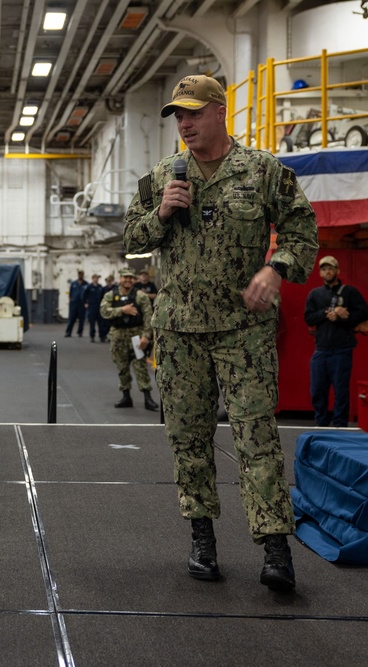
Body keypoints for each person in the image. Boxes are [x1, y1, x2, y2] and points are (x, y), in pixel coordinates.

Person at [124, 74, 318, 591]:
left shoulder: (261, 171)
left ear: (218, 110)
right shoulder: (166, 175)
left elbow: (302, 230)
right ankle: (202, 541)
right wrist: (161, 213)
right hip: (180, 330)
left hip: (244, 332)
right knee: (188, 440)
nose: (184, 123)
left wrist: (274, 269)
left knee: (257, 439)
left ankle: (275, 548)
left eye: (192, 113)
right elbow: (132, 238)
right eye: (177, 116)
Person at [303, 255, 368, 427]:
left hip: (342, 348)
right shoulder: (315, 295)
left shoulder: (350, 292)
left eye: (331, 268)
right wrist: (326, 312)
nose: (327, 271)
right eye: (324, 269)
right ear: (320, 273)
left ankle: (340, 423)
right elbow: (308, 318)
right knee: (317, 389)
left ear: (338, 270)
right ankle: (321, 422)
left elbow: (363, 312)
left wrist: (343, 316)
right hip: (321, 348)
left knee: (341, 390)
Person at [99, 268, 158, 410]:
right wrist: (122, 310)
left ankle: (147, 397)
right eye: (125, 277)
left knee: (141, 367)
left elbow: (149, 317)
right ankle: (126, 396)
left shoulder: (140, 296)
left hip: (136, 337)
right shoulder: (110, 295)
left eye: (131, 278)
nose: (128, 280)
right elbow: (104, 312)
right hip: (118, 337)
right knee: (122, 367)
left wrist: (145, 337)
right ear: (120, 279)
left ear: (134, 280)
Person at [64, 270, 87, 337]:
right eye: (79, 274)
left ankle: (80, 332)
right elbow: (70, 294)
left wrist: (86, 302)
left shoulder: (86, 284)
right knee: (71, 319)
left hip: (82, 304)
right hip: (74, 304)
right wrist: (71, 301)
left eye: (81, 274)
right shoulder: (73, 283)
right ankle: (68, 332)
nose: (80, 276)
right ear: (78, 275)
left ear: (83, 275)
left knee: (81, 320)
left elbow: (88, 294)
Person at [83, 273, 105, 342]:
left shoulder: (100, 287)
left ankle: (102, 336)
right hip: (92, 307)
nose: (96, 279)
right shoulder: (89, 287)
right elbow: (83, 296)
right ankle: (92, 336)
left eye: (97, 278)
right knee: (92, 324)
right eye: (95, 278)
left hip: (99, 307)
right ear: (92, 279)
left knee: (101, 323)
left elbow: (103, 296)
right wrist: (85, 303)